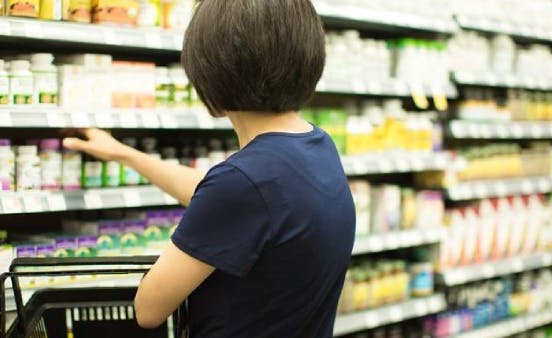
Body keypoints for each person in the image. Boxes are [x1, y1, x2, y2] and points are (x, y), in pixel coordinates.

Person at [62, 0, 355, 337]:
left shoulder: (243, 182)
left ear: (213, 72)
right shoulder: (316, 146)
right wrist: (123, 154)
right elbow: (227, 197)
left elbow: (148, 308)